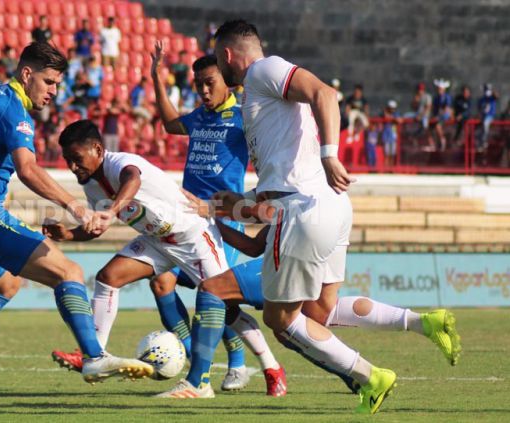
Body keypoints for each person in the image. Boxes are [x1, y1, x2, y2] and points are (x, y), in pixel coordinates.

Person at [159, 20, 461, 413]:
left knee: (281, 320)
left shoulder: (263, 71)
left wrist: (330, 153)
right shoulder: (259, 98)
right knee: (321, 311)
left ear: (228, 55)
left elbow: (325, 93)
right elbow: (279, 173)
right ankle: (425, 322)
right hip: (328, 205)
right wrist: (227, 204)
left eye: (218, 58)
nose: (218, 65)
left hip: (301, 210)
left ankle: (369, 376)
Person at [0, 42, 153, 402]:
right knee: (70, 273)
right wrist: (76, 207)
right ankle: (95, 357)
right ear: (27, 74)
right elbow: (28, 170)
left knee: (7, 285)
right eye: (49, 82)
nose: (53, 91)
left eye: (57, 84)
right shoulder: (14, 109)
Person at [45, 120, 267, 398]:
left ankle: (270, 366)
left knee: (227, 305)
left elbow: (132, 180)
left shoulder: (120, 163)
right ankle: (95, 356)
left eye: (77, 159)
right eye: (68, 161)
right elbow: (96, 227)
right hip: (157, 242)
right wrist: (68, 234)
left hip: (193, 237)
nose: (73, 167)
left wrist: (112, 212)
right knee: (108, 278)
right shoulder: (92, 186)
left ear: (98, 149)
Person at [150, 42, 285, 395]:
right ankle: (196, 358)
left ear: (227, 81)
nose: (204, 90)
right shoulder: (198, 116)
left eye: (210, 82)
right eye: (198, 85)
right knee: (162, 282)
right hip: (187, 221)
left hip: (224, 221)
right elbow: (167, 124)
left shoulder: (244, 115)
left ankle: (255, 365)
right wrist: (156, 77)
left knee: (220, 300)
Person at [430, 79, 452, 152]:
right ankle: (433, 143)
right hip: (438, 115)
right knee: (430, 125)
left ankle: (443, 140)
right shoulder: (436, 98)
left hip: (444, 115)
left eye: (440, 89)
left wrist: (440, 114)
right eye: (438, 89)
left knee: (437, 125)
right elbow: (434, 108)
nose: (439, 90)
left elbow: (447, 108)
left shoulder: (447, 97)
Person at [476, 83, 497, 153]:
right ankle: (480, 145)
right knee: (478, 132)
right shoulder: (482, 99)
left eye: (487, 89)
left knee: (485, 124)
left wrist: (492, 91)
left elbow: (496, 96)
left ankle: (484, 142)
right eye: (486, 89)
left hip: (490, 116)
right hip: (483, 117)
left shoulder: (492, 98)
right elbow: (479, 109)